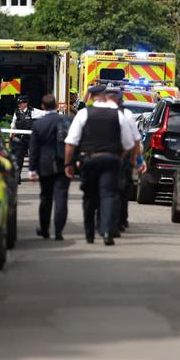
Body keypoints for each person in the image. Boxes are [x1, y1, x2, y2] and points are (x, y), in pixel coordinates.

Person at [64, 84, 134, 246]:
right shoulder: (118, 115)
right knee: (109, 195)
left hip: (89, 161)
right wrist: (118, 158)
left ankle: (90, 233)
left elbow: (71, 142)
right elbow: (128, 144)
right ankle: (108, 231)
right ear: (104, 96)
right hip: (111, 160)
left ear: (92, 96)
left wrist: (68, 163)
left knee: (89, 197)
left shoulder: (83, 114)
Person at [27, 94, 71, 241]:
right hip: (62, 164)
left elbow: (34, 149)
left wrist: (32, 169)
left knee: (45, 197)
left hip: (44, 166)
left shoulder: (39, 124)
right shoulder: (65, 121)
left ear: (43, 106)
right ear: (57, 106)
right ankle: (59, 231)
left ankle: (44, 229)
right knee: (61, 197)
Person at [105, 86, 145, 233]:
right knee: (121, 190)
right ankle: (121, 219)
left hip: (100, 157)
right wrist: (138, 160)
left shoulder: (96, 113)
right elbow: (135, 140)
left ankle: (104, 220)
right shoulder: (126, 115)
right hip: (121, 158)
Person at [10, 95, 45, 182]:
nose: (19, 105)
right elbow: (13, 125)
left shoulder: (32, 111)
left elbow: (44, 114)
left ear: (25, 103)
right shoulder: (17, 112)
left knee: (34, 156)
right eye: (18, 104)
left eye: (20, 103)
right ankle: (17, 177)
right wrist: (11, 136)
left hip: (30, 138)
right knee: (18, 158)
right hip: (20, 138)